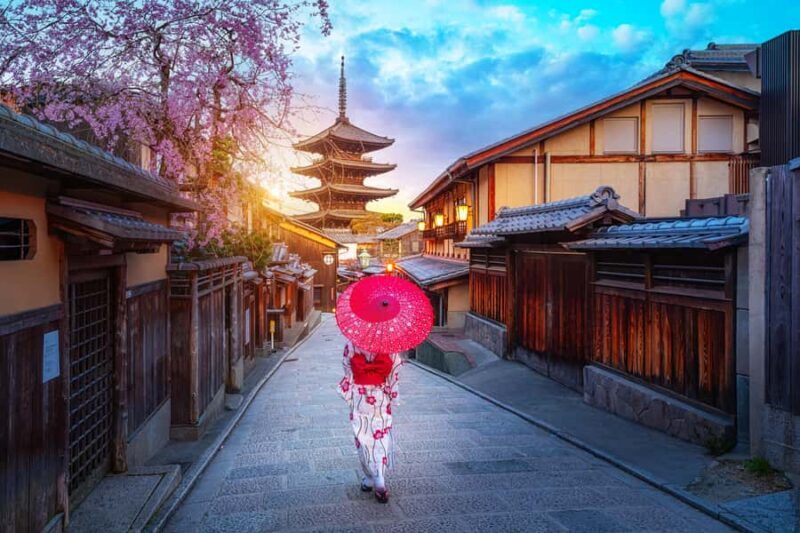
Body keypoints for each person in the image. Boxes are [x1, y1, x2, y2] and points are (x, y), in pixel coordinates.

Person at [338, 340, 403, 503]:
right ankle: (379, 477)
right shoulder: (389, 345)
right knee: (380, 436)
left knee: (363, 437)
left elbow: (347, 370)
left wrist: (350, 391)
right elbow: (394, 371)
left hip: (360, 397)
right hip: (380, 397)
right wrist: (392, 394)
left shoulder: (352, 344)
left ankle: (369, 478)